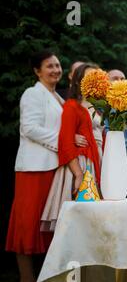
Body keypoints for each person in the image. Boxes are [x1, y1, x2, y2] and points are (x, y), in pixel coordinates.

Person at [5, 50, 85, 282]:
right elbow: (30, 129)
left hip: (55, 169)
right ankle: (26, 281)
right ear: (37, 71)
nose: (55, 70)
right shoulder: (32, 94)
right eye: (49, 66)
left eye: (58, 65)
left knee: (48, 224)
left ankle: (46, 278)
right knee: (27, 224)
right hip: (34, 169)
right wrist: (66, 141)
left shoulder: (59, 98)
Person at [40, 63, 103, 232]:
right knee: (78, 218)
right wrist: (78, 174)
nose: (93, 80)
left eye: (96, 77)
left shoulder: (99, 106)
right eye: (88, 77)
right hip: (81, 163)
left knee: (95, 220)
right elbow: (66, 142)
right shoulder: (72, 105)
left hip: (97, 160)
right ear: (78, 81)